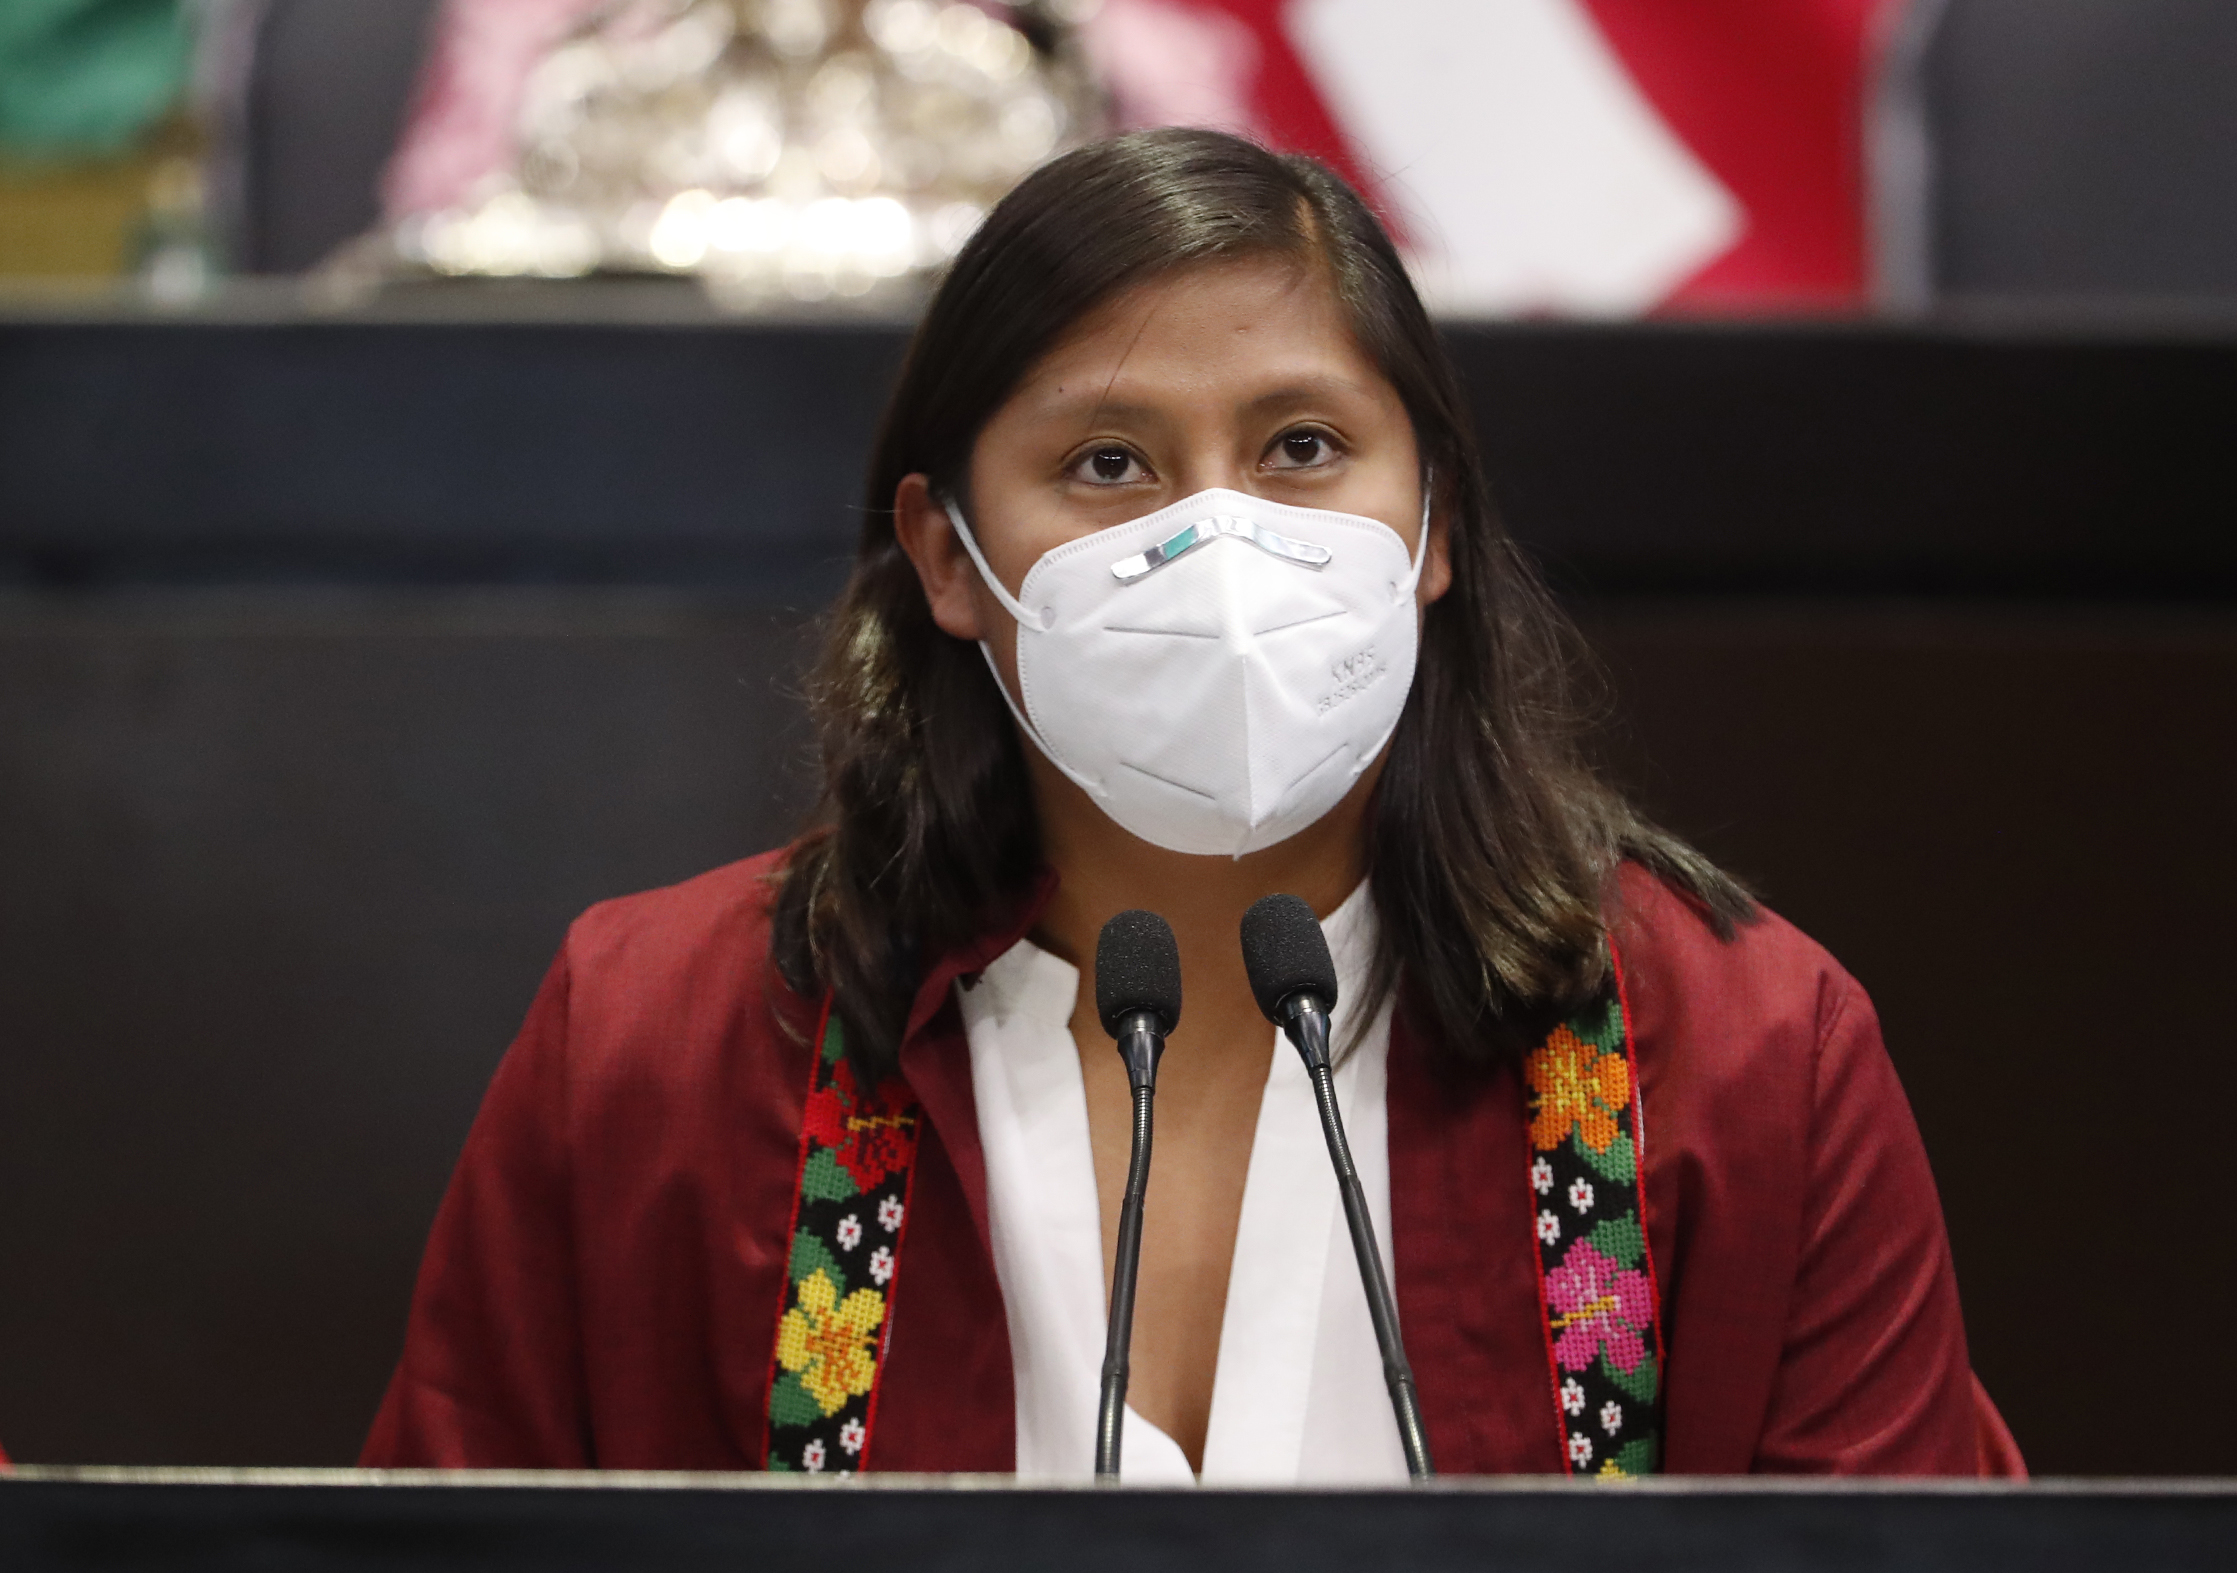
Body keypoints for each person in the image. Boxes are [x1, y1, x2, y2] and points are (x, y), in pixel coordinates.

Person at [362, 128, 2021, 1481]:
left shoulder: (1740, 1054)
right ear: (949, 555)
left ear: (1432, 527)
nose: (1217, 543)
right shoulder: (654, 1040)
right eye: (1108, 464)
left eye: (1300, 447)